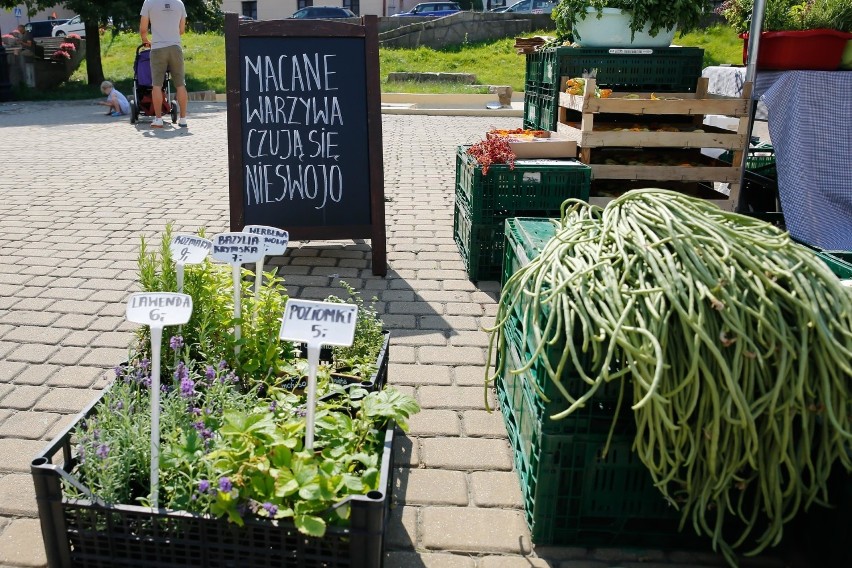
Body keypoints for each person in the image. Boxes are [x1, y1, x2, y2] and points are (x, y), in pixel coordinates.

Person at [139, 0, 188, 129]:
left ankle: (159, 119)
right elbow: (182, 30)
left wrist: (146, 41)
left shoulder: (149, 2)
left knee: (157, 85)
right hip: (175, 47)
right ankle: (183, 119)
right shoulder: (179, 3)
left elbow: (143, 29)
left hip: (157, 48)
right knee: (180, 84)